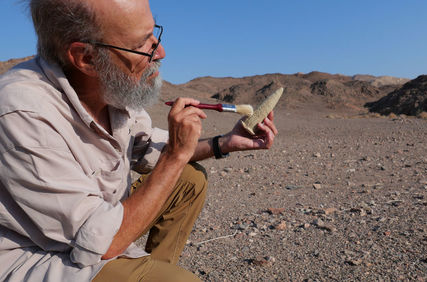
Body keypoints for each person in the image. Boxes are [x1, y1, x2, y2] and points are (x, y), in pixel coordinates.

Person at [0, 0, 278, 281]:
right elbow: (102, 242)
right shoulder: (22, 113)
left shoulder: (111, 87)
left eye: (154, 34)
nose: (161, 52)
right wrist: (175, 157)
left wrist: (226, 142)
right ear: (85, 57)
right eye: (141, 44)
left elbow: (150, 147)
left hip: (95, 234)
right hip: (36, 257)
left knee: (188, 180)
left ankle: (154, 269)